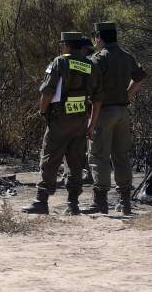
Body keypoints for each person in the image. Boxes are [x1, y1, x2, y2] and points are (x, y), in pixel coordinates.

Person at [23, 32, 102, 215]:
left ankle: (41, 201)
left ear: (66, 45)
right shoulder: (91, 65)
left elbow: (47, 92)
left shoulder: (60, 62)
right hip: (80, 121)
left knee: (50, 159)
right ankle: (72, 204)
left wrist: (42, 112)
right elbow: (98, 100)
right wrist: (91, 125)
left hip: (59, 120)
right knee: (75, 163)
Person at [84, 22, 147, 215]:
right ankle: (124, 202)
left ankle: (100, 201)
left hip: (102, 112)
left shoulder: (98, 59)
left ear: (99, 37)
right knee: (121, 156)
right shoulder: (126, 56)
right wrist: (127, 96)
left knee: (99, 156)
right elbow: (140, 78)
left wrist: (90, 121)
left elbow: (93, 91)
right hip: (122, 112)